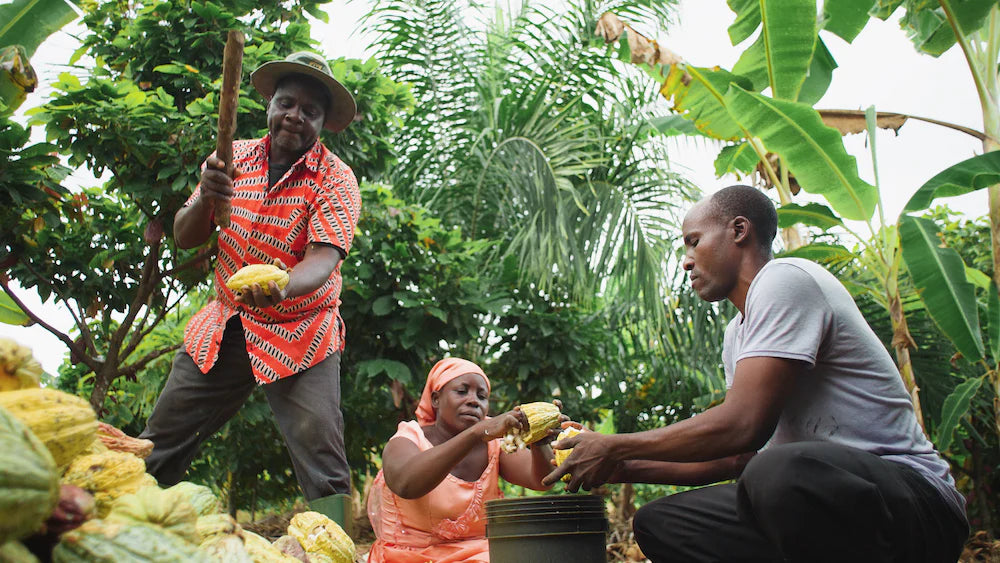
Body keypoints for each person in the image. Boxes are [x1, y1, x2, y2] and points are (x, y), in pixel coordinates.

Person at [544, 185, 969, 562]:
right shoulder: (738, 333)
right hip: (819, 503)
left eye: (694, 242)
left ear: (739, 230)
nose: (687, 262)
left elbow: (743, 426)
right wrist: (620, 466)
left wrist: (614, 445)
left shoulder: (786, 278)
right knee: (663, 522)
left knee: (779, 472)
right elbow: (737, 457)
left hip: (915, 503)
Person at [138, 51, 362, 530]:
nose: (295, 117)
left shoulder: (336, 178)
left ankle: (336, 543)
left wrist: (281, 286)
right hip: (227, 322)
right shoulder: (230, 159)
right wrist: (208, 194)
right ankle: (130, 528)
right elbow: (185, 234)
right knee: (162, 437)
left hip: (302, 329)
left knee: (319, 442)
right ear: (270, 105)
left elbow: (322, 261)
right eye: (287, 103)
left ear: (323, 121)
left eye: (310, 111)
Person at [367, 357, 562, 563]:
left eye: (482, 396)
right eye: (462, 391)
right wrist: (476, 433)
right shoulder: (409, 438)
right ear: (435, 399)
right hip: (408, 556)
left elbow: (541, 481)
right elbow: (405, 483)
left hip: (477, 555)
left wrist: (540, 441)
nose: (473, 400)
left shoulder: (493, 444)